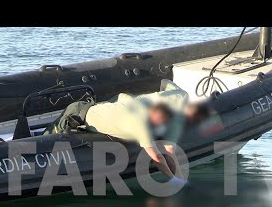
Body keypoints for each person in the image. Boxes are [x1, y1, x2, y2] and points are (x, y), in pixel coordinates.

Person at [47, 79, 197, 186]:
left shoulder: (181, 96)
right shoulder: (140, 125)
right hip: (79, 113)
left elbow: (165, 81)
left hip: (118, 103)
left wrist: (182, 178)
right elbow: (157, 158)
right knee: (49, 136)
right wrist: (176, 181)